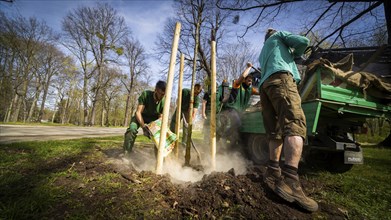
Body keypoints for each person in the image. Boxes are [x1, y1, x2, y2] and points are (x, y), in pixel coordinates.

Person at [258, 28, 318, 212]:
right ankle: (291, 180)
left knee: (274, 130)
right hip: (282, 78)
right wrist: (295, 53)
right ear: (273, 33)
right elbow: (303, 41)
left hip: (265, 86)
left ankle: (273, 170)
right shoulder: (278, 36)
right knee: (295, 124)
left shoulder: (263, 51)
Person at [218, 63, 259, 145]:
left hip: (239, 111)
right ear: (244, 80)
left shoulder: (251, 90)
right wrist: (249, 68)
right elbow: (243, 76)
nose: (250, 83)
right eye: (249, 81)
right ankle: (223, 136)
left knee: (238, 129)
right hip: (231, 109)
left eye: (251, 81)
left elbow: (260, 93)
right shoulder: (237, 85)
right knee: (237, 123)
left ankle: (230, 145)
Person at [123, 80, 166, 155]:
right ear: (156, 90)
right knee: (132, 129)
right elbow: (138, 112)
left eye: (164, 95)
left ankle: (158, 157)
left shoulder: (164, 101)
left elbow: (161, 118)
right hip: (141, 116)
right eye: (161, 94)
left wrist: (154, 128)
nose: (162, 96)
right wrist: (144, 128)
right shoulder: (146, 94)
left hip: (153, 120)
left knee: (160, 134)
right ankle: (126, 153)